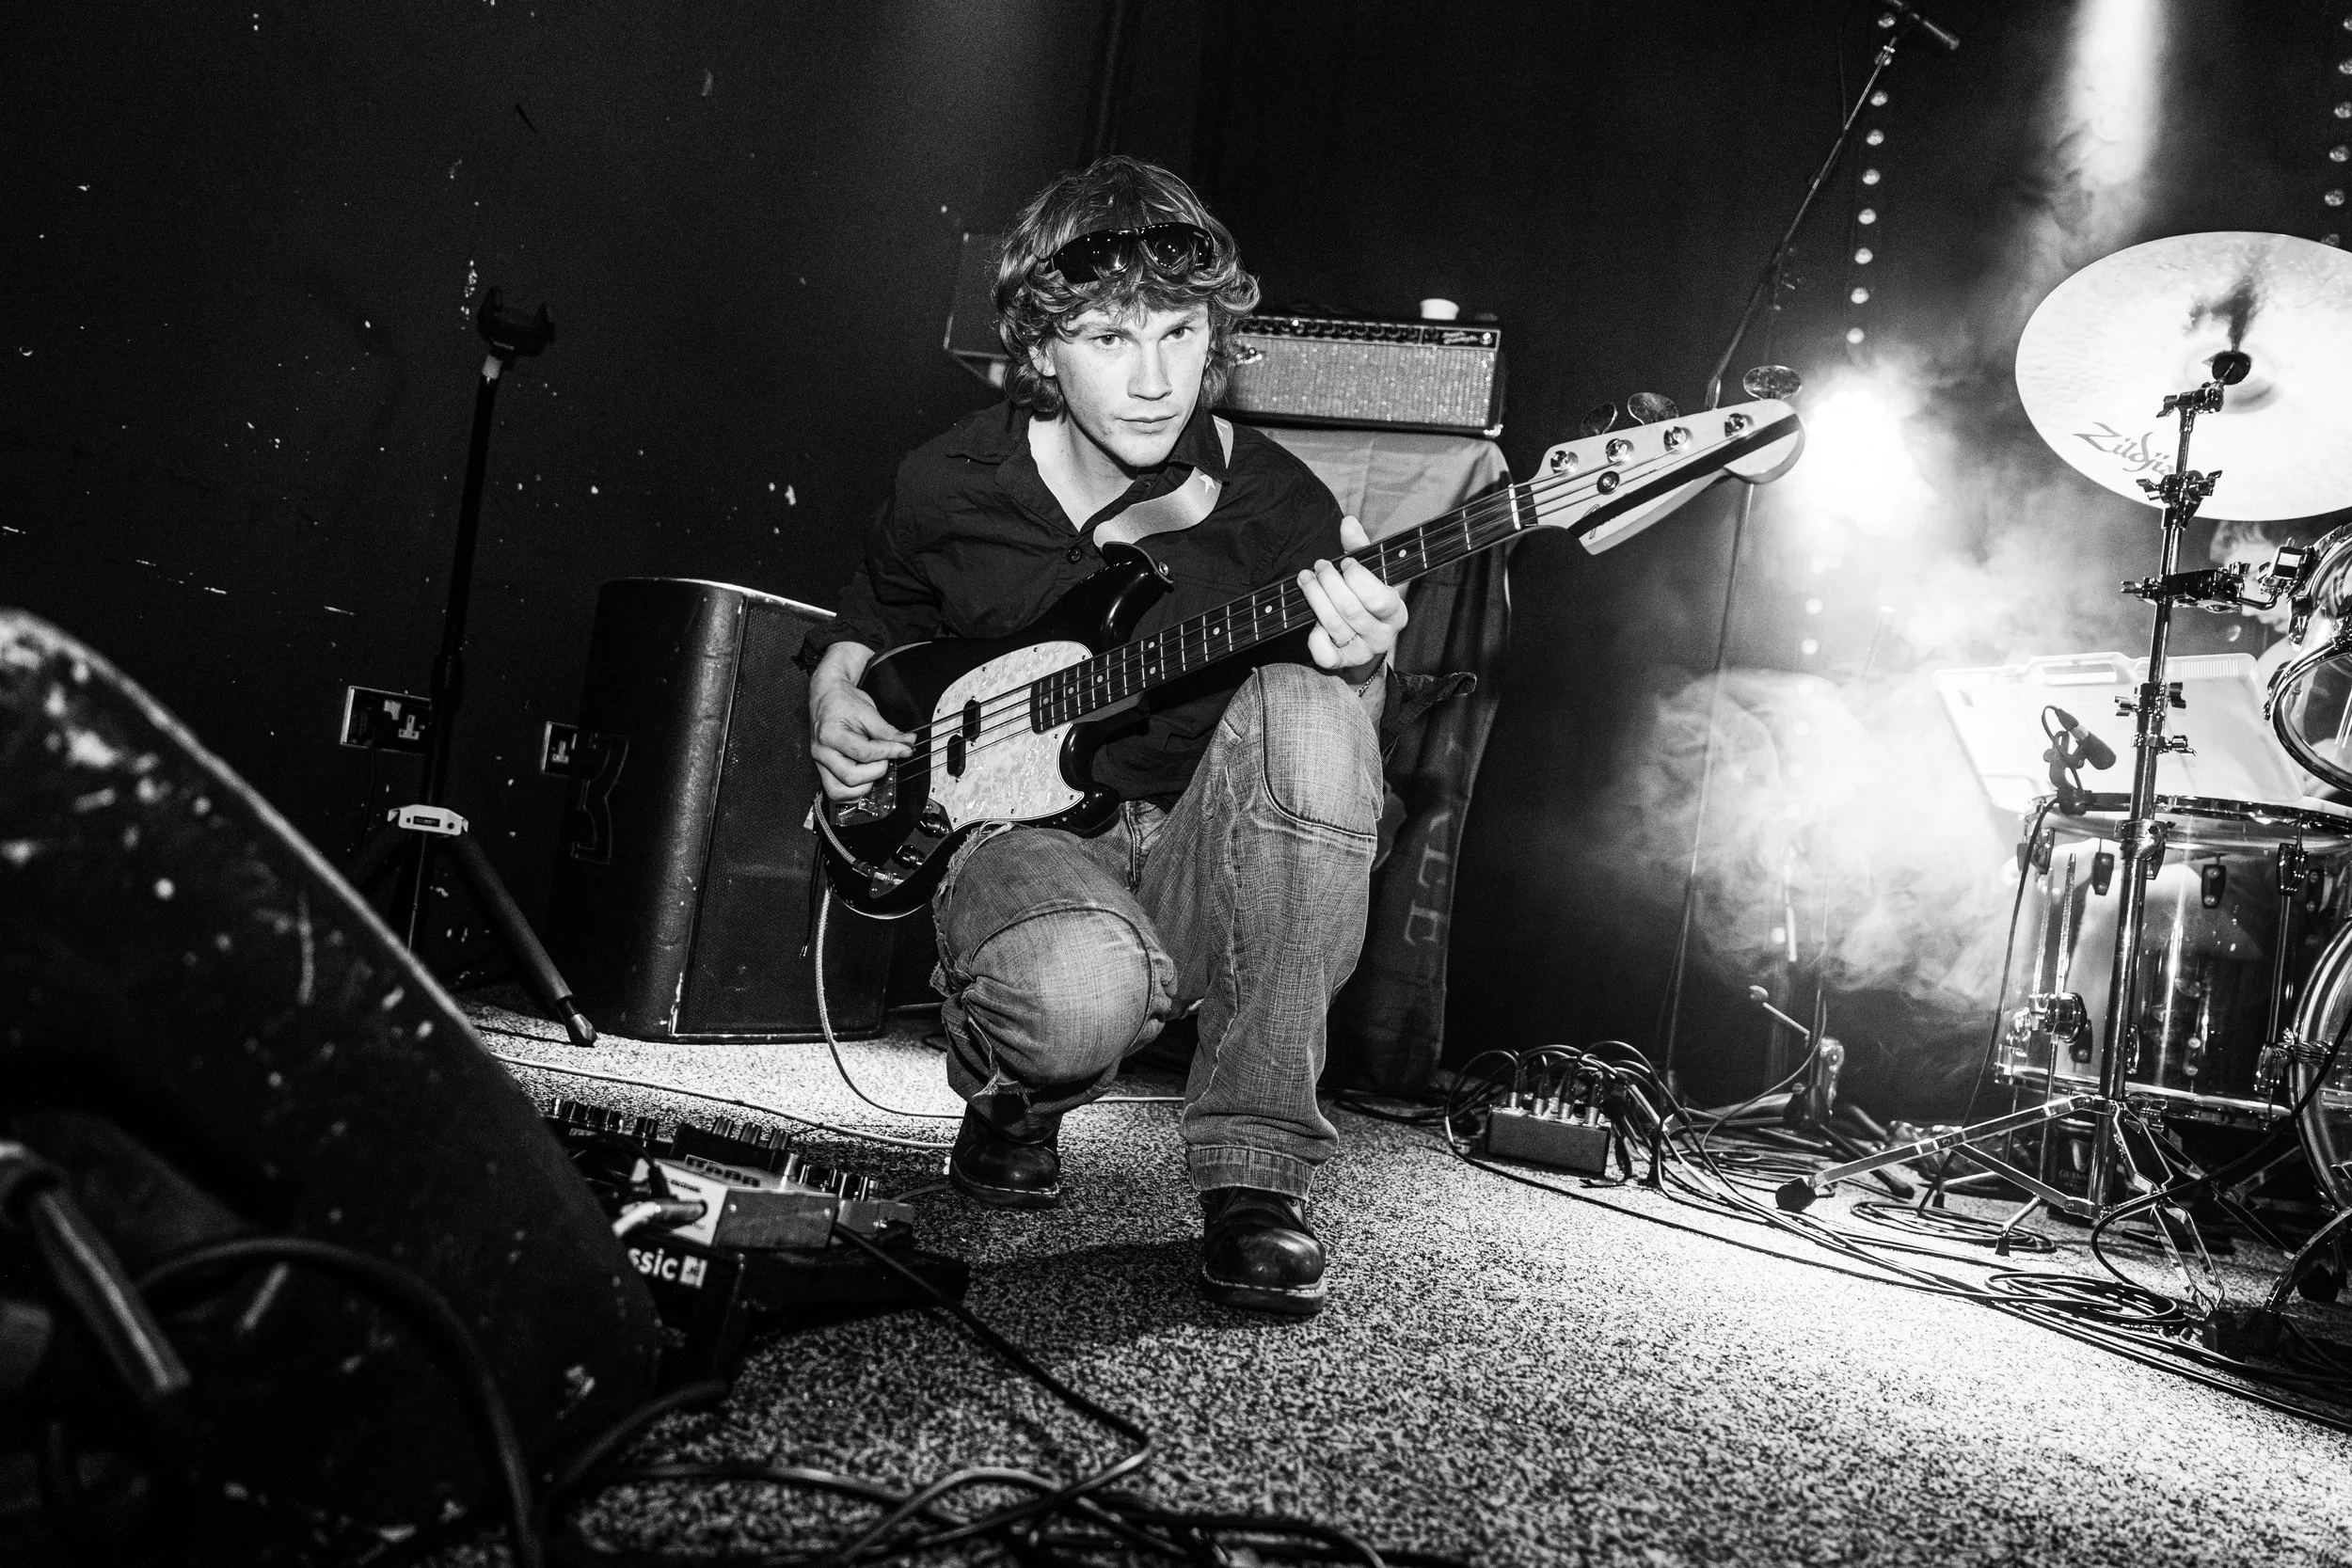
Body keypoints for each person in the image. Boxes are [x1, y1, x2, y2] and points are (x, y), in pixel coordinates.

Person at [797, 156, 1405, 1318]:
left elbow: (1335, 787)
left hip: (1199, 849)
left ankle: (1255, 1177)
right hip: (1016, 840)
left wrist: (1361, 661)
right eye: (1108, 339)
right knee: (1073, 1005)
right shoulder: (949, 480)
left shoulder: (1280, 506)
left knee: (1313, 709)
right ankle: (1012, 1097)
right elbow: (869, 621)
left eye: (1180, 335)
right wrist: (833, 697)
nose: (1154, 381)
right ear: (1039, 347)